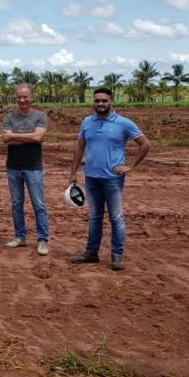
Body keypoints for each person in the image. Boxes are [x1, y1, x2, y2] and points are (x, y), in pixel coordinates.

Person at [69, 87, 151, 271]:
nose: (100, 104)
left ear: (111, 101)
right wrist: (73, 172)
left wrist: (131, 166)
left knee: (116, 217)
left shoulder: (123, 123)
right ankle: (91, 253)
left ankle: (117, 255)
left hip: (113, 178)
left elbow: (145, 144)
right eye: (97, 101)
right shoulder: (87, 122)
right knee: (95, 216)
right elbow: (80, 148)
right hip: (91, 177)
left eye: (104, 101)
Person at [2, 84, 51, 255]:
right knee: (16, 204)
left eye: (25, 97)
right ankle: (19, 237)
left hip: (33, 167)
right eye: (19, 97)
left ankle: (43, 240)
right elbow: (7, 140)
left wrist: (15, 136)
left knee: (39, 204)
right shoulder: (9, 117)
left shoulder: (40, 116)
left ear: (32, 97)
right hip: (13, 167)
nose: (22, 100)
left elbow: (38, 138)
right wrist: (31, 137)